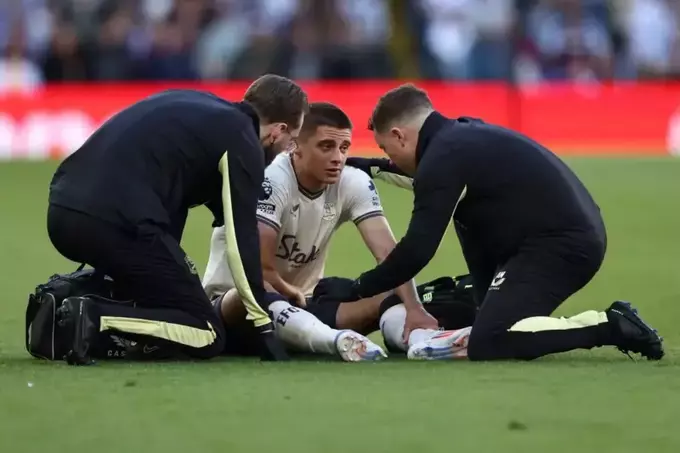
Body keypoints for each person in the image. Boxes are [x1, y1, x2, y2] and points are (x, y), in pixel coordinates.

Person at [315, 83, 664, 362]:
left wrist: (358, 288)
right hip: (553, 239)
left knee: (491, 340)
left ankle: (610, 325)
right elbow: (411, 176)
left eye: (386, 148)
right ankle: (484, 303)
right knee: (478, 317)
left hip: (560, 248)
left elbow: (417, 250)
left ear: (399, 135)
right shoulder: (456, 140)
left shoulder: (444, 159)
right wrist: (357, 165)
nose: (389, 157)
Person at [46, 74, 309, 365]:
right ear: (278, 130)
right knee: (207, 331)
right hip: (115, 222)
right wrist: (263, 323)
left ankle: (70, 309)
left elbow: (192, 201)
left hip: (62, 211)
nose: (288, 149)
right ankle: (93, 317)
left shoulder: (204, 109)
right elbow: (241, 238)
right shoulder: (242, 140)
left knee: (163, 292)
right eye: (292, 141)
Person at [203, 102, 478, 361]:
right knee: (257, 291)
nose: (338, 157)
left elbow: (388, 254)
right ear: (295, 145)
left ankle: (424, 341)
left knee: (392, 295)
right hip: (233, 310)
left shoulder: (352, 181)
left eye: (344, 147)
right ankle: (335, 341)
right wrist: (291, 292)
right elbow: (259, 269)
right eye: (326, 146)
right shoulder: (273, 178)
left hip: (302, 306)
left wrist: (415, 309)